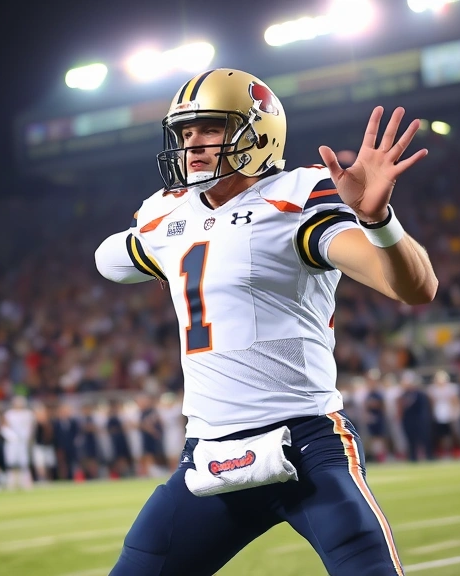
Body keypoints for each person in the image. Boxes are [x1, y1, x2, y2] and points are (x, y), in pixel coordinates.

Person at [94, 68, 437, 575]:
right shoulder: (168, 217)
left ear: (257, 132)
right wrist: (162, 251)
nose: (194, 145)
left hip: (305, 445)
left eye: (210, 128)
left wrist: (377, 221)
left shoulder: (296, 198)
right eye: (185, 133)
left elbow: (415, 288)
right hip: (208, 455)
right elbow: (108, 259)